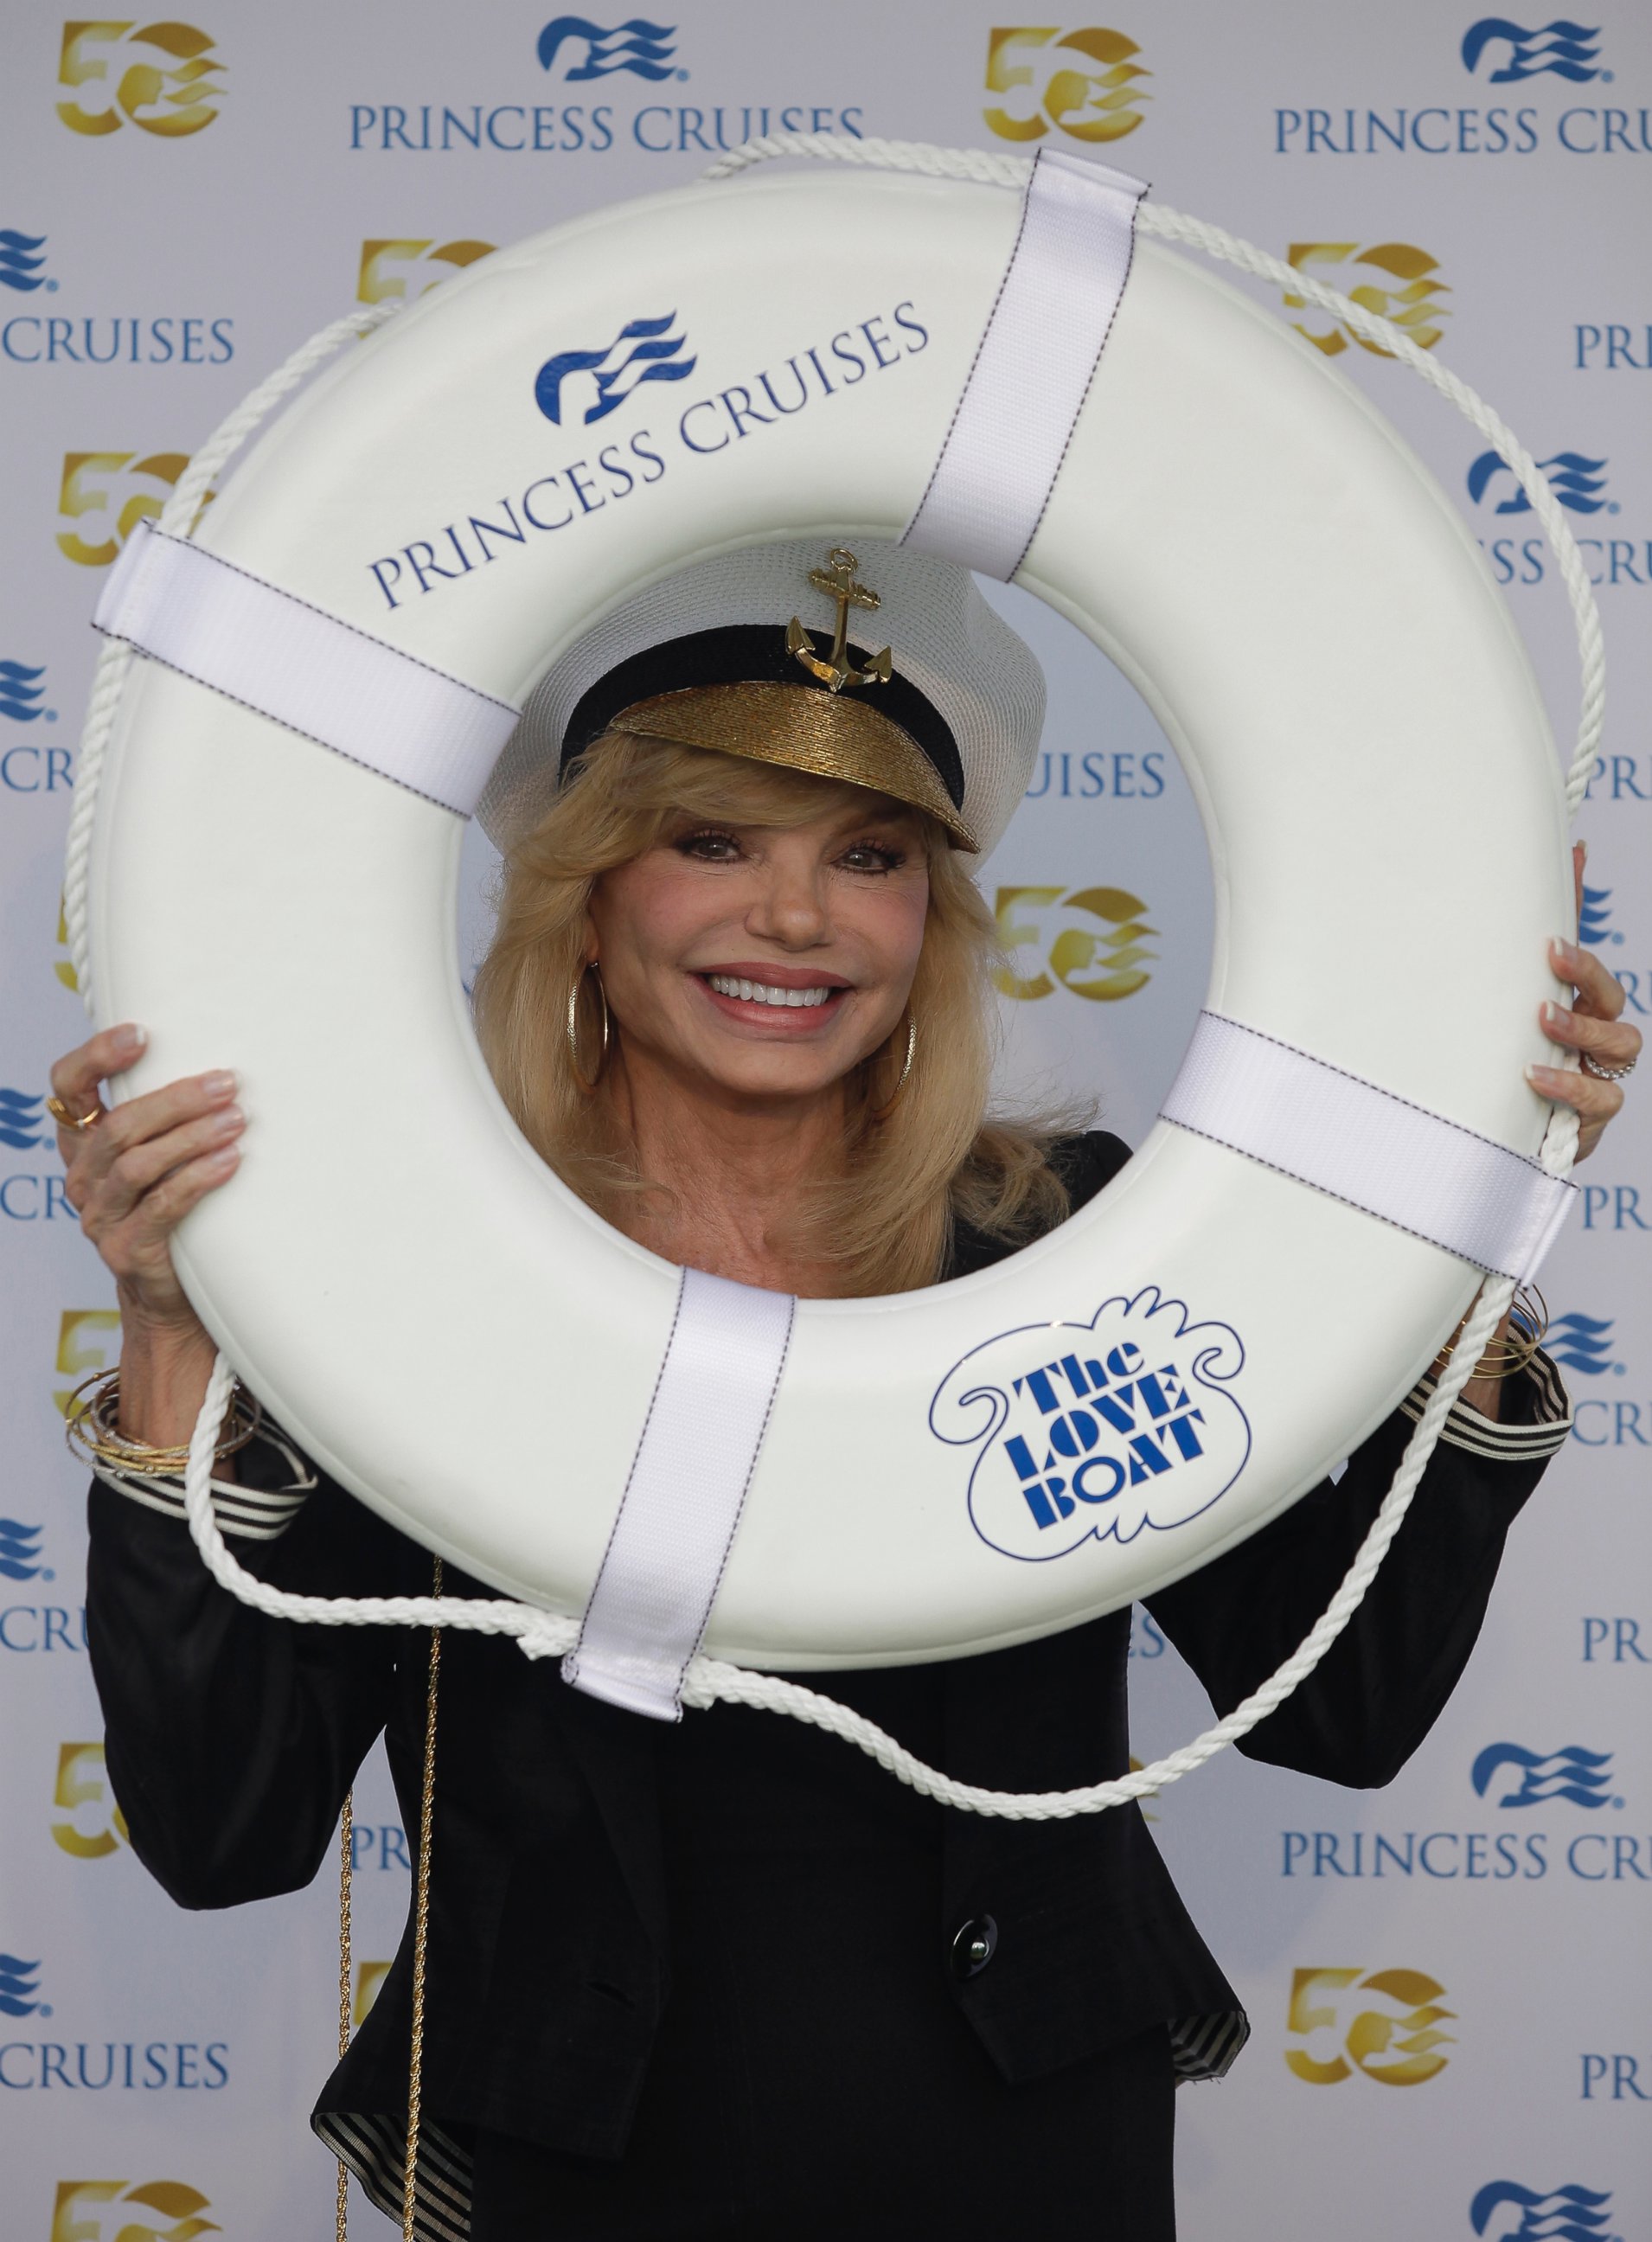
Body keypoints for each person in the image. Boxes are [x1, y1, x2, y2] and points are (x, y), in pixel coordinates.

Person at [59, 541, 1636, 2240]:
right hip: (585, 2158)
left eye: (868, 856)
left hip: (1019, 2143)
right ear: (586, 896)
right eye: (709, 843)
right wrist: (172, 1329)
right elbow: (229, 1830)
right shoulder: (433, 1273)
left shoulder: (1062, 1240)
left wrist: (1476, 1241)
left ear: (928, 918)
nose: (795, 919)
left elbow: (1345, 1703)